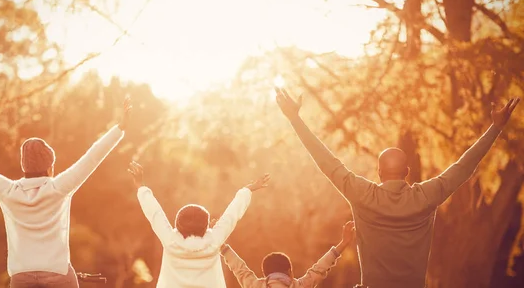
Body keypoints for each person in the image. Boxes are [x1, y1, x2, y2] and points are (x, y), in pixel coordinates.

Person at [274, 87, 520, 288]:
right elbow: (464, 167)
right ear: (408, 173)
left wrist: (295, 119)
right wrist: (495, 128)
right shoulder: (426, 196)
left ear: (379, 173)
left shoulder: (362, 195)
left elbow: (326, 162)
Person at [0, 98, 132, 288]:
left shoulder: (8, 191)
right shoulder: (59, 188)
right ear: (49, 168)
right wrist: (120, 128)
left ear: (24, 167)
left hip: (21, 276)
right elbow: (92, 157)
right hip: (57, 273)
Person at [128, 161, 270, 288]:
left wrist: (141, 186)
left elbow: (154, 213)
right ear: (206, 226)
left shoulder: (170, 241)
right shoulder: (214, 240)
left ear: (177, 224)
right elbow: (231, 215)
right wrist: (246, 190)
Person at [221, 221, 356, 288]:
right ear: (290, 272)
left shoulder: (256, 285)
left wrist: (222, 246)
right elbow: (319, 269)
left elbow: (240, 269)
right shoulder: (300, 286)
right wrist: (343, 243)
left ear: (265, 275)